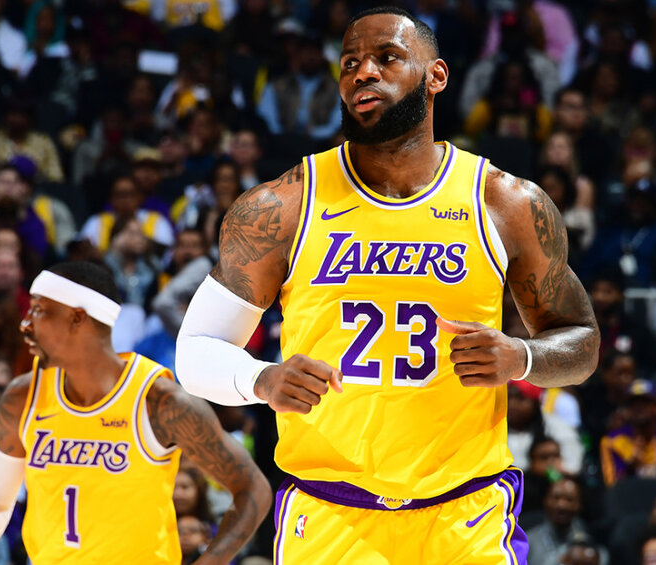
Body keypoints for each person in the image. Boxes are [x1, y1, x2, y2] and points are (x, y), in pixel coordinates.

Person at [175, 7, 600, 563]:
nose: (363, 73)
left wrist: (520, 357)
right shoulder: (283, 205)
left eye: (387, 58)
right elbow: (195, 351)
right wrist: (261, 378)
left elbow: (581, 342)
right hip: (330, 512)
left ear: (436, 77)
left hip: (465, 514)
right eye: (350, 62)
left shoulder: (506, 203)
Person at [0, 262, 271, 564]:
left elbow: (252, 489)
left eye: (39, 310)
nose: (25, 324)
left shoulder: (158, 402)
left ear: (77, 318)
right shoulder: (24, 395)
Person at [527, 476, 606, 565]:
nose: (562, 506)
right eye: (556, 498)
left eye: (569, 499)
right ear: (545, 501)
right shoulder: (528, 542)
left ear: (579, 505)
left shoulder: (589, 539)